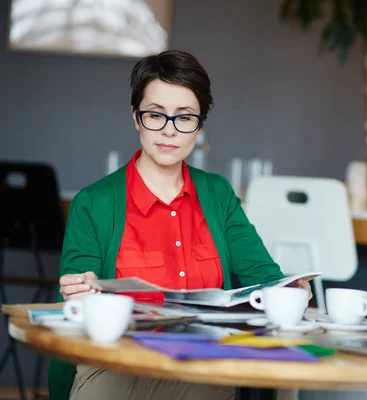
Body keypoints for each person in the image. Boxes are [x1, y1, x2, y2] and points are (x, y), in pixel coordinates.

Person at [50, 50, 311, 400]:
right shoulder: (93, 203)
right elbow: (73, 313)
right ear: (135, 117)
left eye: (185, 117)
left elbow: (263, 277)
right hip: (117, 368)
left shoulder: (218, 194)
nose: (169, 131)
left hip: (201, 368)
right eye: (155, 115)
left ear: (200, 124)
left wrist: (290, 290)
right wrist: (80, 292)